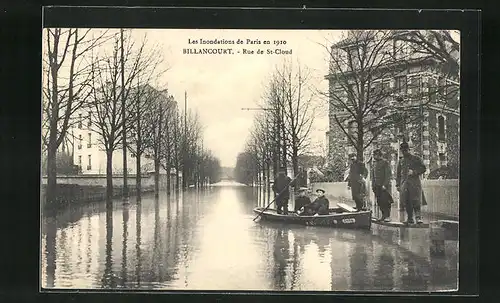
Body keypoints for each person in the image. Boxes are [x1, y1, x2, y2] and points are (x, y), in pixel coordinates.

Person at [396, 142, 426, 224]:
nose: (404, 152)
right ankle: (410, 218)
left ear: (409, 150)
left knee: (416, 200)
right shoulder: (401, 161)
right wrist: (398, 185)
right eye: (403, 151)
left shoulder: (417, 159)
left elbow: (423, 168)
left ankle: (418, 218)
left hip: (415, 184)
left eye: (406, 150)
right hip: (404, 185)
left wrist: (414, 172)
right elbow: (398, 174)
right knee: (407, 201)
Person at [371, 149, 394, 222]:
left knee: (386, 201)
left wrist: (385, 185)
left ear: (379, 155)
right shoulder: (374, 164)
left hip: (384, 187)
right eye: (374, 155)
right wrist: (373, 185)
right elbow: (373, 176)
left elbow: (388, 174)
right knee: (380, 201)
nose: (374, 156)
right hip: (377, 186)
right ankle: (383, 215)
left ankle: (387, 216)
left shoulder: (385, 162)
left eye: (375, 155)